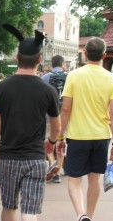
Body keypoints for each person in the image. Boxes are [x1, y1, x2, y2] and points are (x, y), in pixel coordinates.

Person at [0, 24, 61, 221]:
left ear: (17, 57)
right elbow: (57, 126)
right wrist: (51, 142)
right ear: (40, 60)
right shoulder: (48, 90)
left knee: (9, 206)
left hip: (8, 158)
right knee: (30, 211)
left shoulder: (1, 88)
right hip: (35, 158)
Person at [56, 37, 113, 221]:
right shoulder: (111, 79)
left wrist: (60, 137)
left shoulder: (74, 76)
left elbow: (65, 109)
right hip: (101, 135)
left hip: (77, 135)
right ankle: (89, 215)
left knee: (74, 179)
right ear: (104, 55)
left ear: (84, 54)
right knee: (95, 179)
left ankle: (81, 214)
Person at [42, 54, 67, 183]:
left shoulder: (45, 77)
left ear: (51, 65)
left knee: (48, 143)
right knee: (60, 143)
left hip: (48, 116)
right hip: (64, 116)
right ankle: (59, 168)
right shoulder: (69, 77)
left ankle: (52, 163)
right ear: (63, 64)